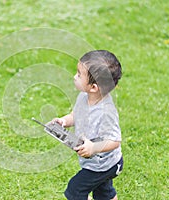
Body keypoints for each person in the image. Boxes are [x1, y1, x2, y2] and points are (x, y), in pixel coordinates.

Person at [51, 50, 123, 200]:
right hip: (97, 163)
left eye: (79, 74)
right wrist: (64, 121)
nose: (74, 77)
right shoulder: (84, 96)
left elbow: (115, 141)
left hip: (104, 165)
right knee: (103, 193)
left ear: (94, 87)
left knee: (74, 191)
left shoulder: (106, 112)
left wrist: (93, 148)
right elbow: (75, 116)